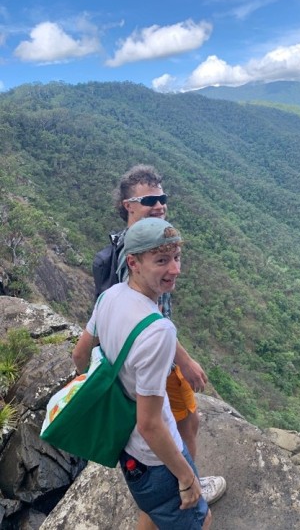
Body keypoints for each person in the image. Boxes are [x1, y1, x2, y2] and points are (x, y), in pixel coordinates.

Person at [73, 218, 211, 529]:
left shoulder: (110, 297)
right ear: (133, 262)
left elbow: (80, 356)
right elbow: (149, 425)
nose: (175, 270)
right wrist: (187, 477)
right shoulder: (158, 330)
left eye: (176, 258)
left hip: (127, 448)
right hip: (156, 458)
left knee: (154, 511)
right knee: (201, 521)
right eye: (161, 260)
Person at [105, 164, 226, 505]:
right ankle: (186, 482)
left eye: (162, 197)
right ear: (128, 205)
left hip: (154, 350)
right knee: (182, 421)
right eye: (149, 199)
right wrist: (182, 359)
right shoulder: (130, 256)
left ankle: (182, 478)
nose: (159, 204)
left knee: (187, 419)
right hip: (154, 356)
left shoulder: (151, 243)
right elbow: (142, 318)